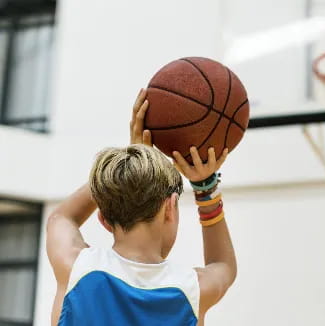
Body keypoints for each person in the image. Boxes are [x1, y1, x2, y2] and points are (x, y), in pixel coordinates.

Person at [46, 89, 237, 326]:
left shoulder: (75, 267)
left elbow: (61, 218)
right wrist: (205, 187)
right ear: (170, 207)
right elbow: (223, 265)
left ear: (103, 219)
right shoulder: (193, 289)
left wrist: (125, 167)